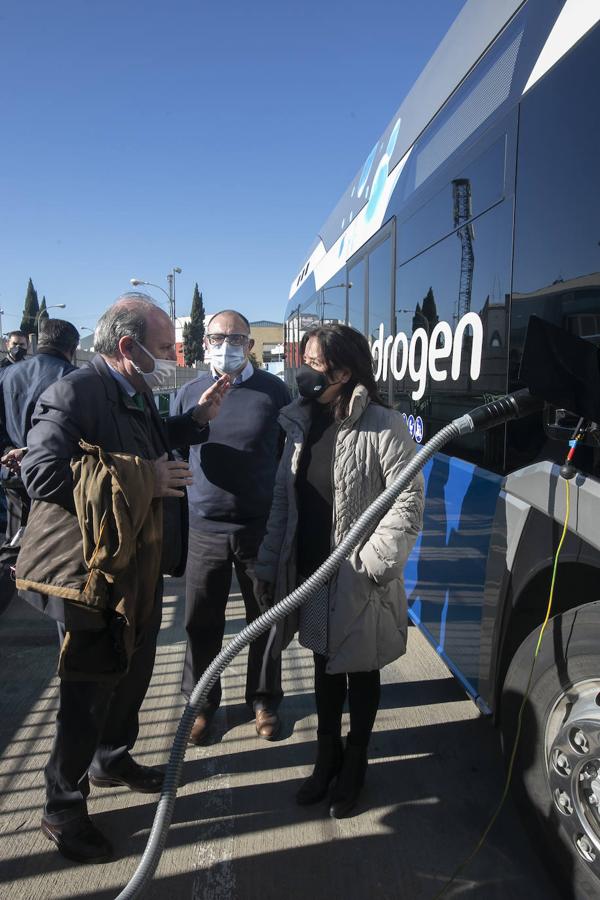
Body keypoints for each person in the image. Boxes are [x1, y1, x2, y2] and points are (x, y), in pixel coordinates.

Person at [18, 295, 228, 864]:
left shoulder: (134, 392)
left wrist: (194, 422)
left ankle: (111, 757)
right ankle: (62, 809)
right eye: (163, 349)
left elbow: (148, 444)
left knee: (133, 669)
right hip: (90, 575)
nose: (171, 357)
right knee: (87, 688)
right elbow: (42, 474)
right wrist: (145, 478)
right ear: (128, 348)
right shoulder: (75, 393)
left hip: (137, 566)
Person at [255, 324, 424, 818]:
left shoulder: (383, 424)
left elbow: (408, 503)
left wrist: (369, 568)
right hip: (310, 572)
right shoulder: (300, 421)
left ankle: (355, 762)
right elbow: (283, 503)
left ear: (344, 372)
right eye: (303, 357)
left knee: (361, 670)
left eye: (314, 361)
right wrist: (270, 564)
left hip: (358, 578)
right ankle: (325, 756)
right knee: (324, 665)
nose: (302, 368)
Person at [172, 309, 291, 744]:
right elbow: (177, 454)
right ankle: (202, 704)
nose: (228, 344)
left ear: (251, 345)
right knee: (201, 621)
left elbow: (287, 455)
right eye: (219, 337)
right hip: (204, 527)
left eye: (237, 337)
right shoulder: (187, 395)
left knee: (264, 618)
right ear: (204, 343)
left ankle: (263, 700)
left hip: (258, 527)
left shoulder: (273, 391)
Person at [0, 319, 79, 539]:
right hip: (54, 479)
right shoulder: (75, 379)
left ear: (37, 344)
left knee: (15, 541)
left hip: (14, 474)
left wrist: (9, 453)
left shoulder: (6, 375)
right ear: (72, 349)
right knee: (49, 545)